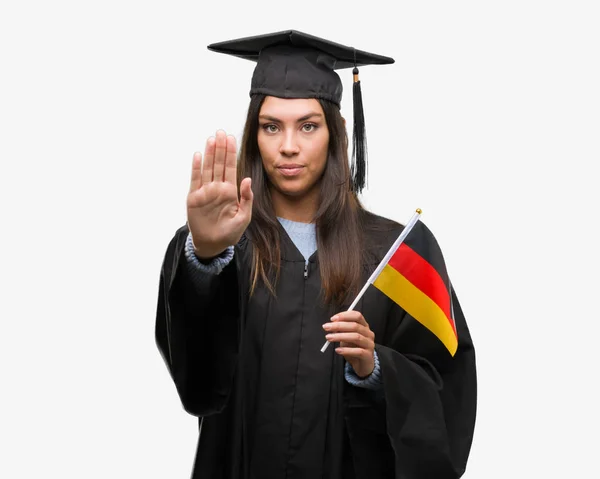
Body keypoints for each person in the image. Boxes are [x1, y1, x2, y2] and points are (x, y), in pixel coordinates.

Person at [155, 30, 477, 479]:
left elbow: (447, 390)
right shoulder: (223, 246)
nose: (289, 145)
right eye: (271, 127)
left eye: (308, 125)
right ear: (254, 135)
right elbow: (199, 388)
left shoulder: (393, 252)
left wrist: (376, 368)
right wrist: (205, 260)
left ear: (336, 133)